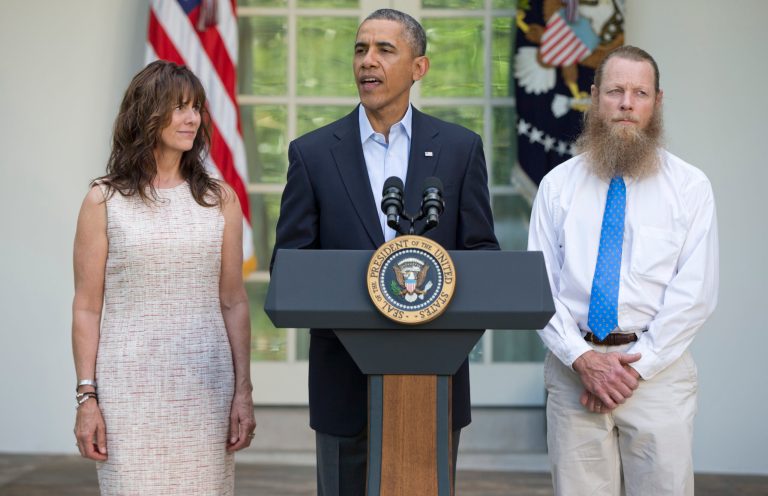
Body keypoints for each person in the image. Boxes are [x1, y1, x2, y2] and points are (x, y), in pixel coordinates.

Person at [271, 9, 499, 496]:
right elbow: (289, 268)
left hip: (433, 383)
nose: (367, 61)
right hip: (343, 386)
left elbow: (482, 258)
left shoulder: (460, 150)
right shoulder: (312, 155)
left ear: (420, 68)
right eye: (360, 49)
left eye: (384, 50)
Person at [528, 45, 719, 495]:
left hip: (657, 374)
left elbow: (695, 294)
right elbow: (538, 287)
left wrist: (630, 369)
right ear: (594, 98)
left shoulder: (690, 187)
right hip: (573, 371)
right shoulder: (557, 186)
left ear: (657, 101)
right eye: (615, 91)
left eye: (640, 92)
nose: (627, 104)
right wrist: (583, 360)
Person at [71, 60, 256, 495]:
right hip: (127, 391)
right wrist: (87, 398)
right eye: (178, 107)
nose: (192, 119)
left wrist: (242, 391)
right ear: (146, 114)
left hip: (205, 388)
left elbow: (233, 301)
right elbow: (86, 307)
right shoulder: (104, 199)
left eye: (196, 108)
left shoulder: (220, 199)